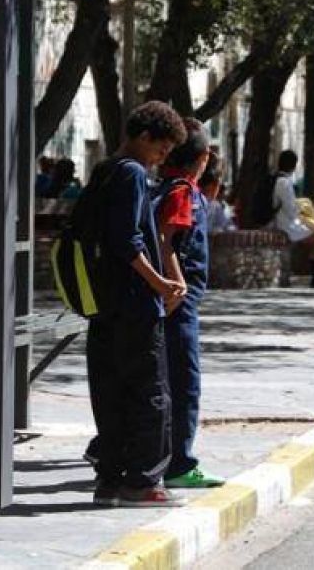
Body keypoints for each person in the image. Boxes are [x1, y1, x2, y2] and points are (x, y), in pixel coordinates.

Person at [85, 100, 187, 507]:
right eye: (161, 149)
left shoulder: (104, 171)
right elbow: (129, 242)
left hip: (104, 303)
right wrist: (161, 283)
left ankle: (109, 479)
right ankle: (144, 482)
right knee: (150, 393)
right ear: (144, 138)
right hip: (135, 306)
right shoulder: (130, 174)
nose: (162, 158)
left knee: (110, 392)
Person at [153, 118, 226, 490]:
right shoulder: (182, 192)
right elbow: (166, 237)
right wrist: (175, 282)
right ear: (203, 157)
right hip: (179, 304)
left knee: (169, 380)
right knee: (185, 383)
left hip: (175, 302)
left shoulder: (169, 186)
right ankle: (180, 463)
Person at [268, 150, 314, 288]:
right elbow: (291, 210)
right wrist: (305, 216)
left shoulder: (275, 179)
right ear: (293, 165)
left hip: (281, 220)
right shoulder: (284, 183)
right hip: (284, 223)